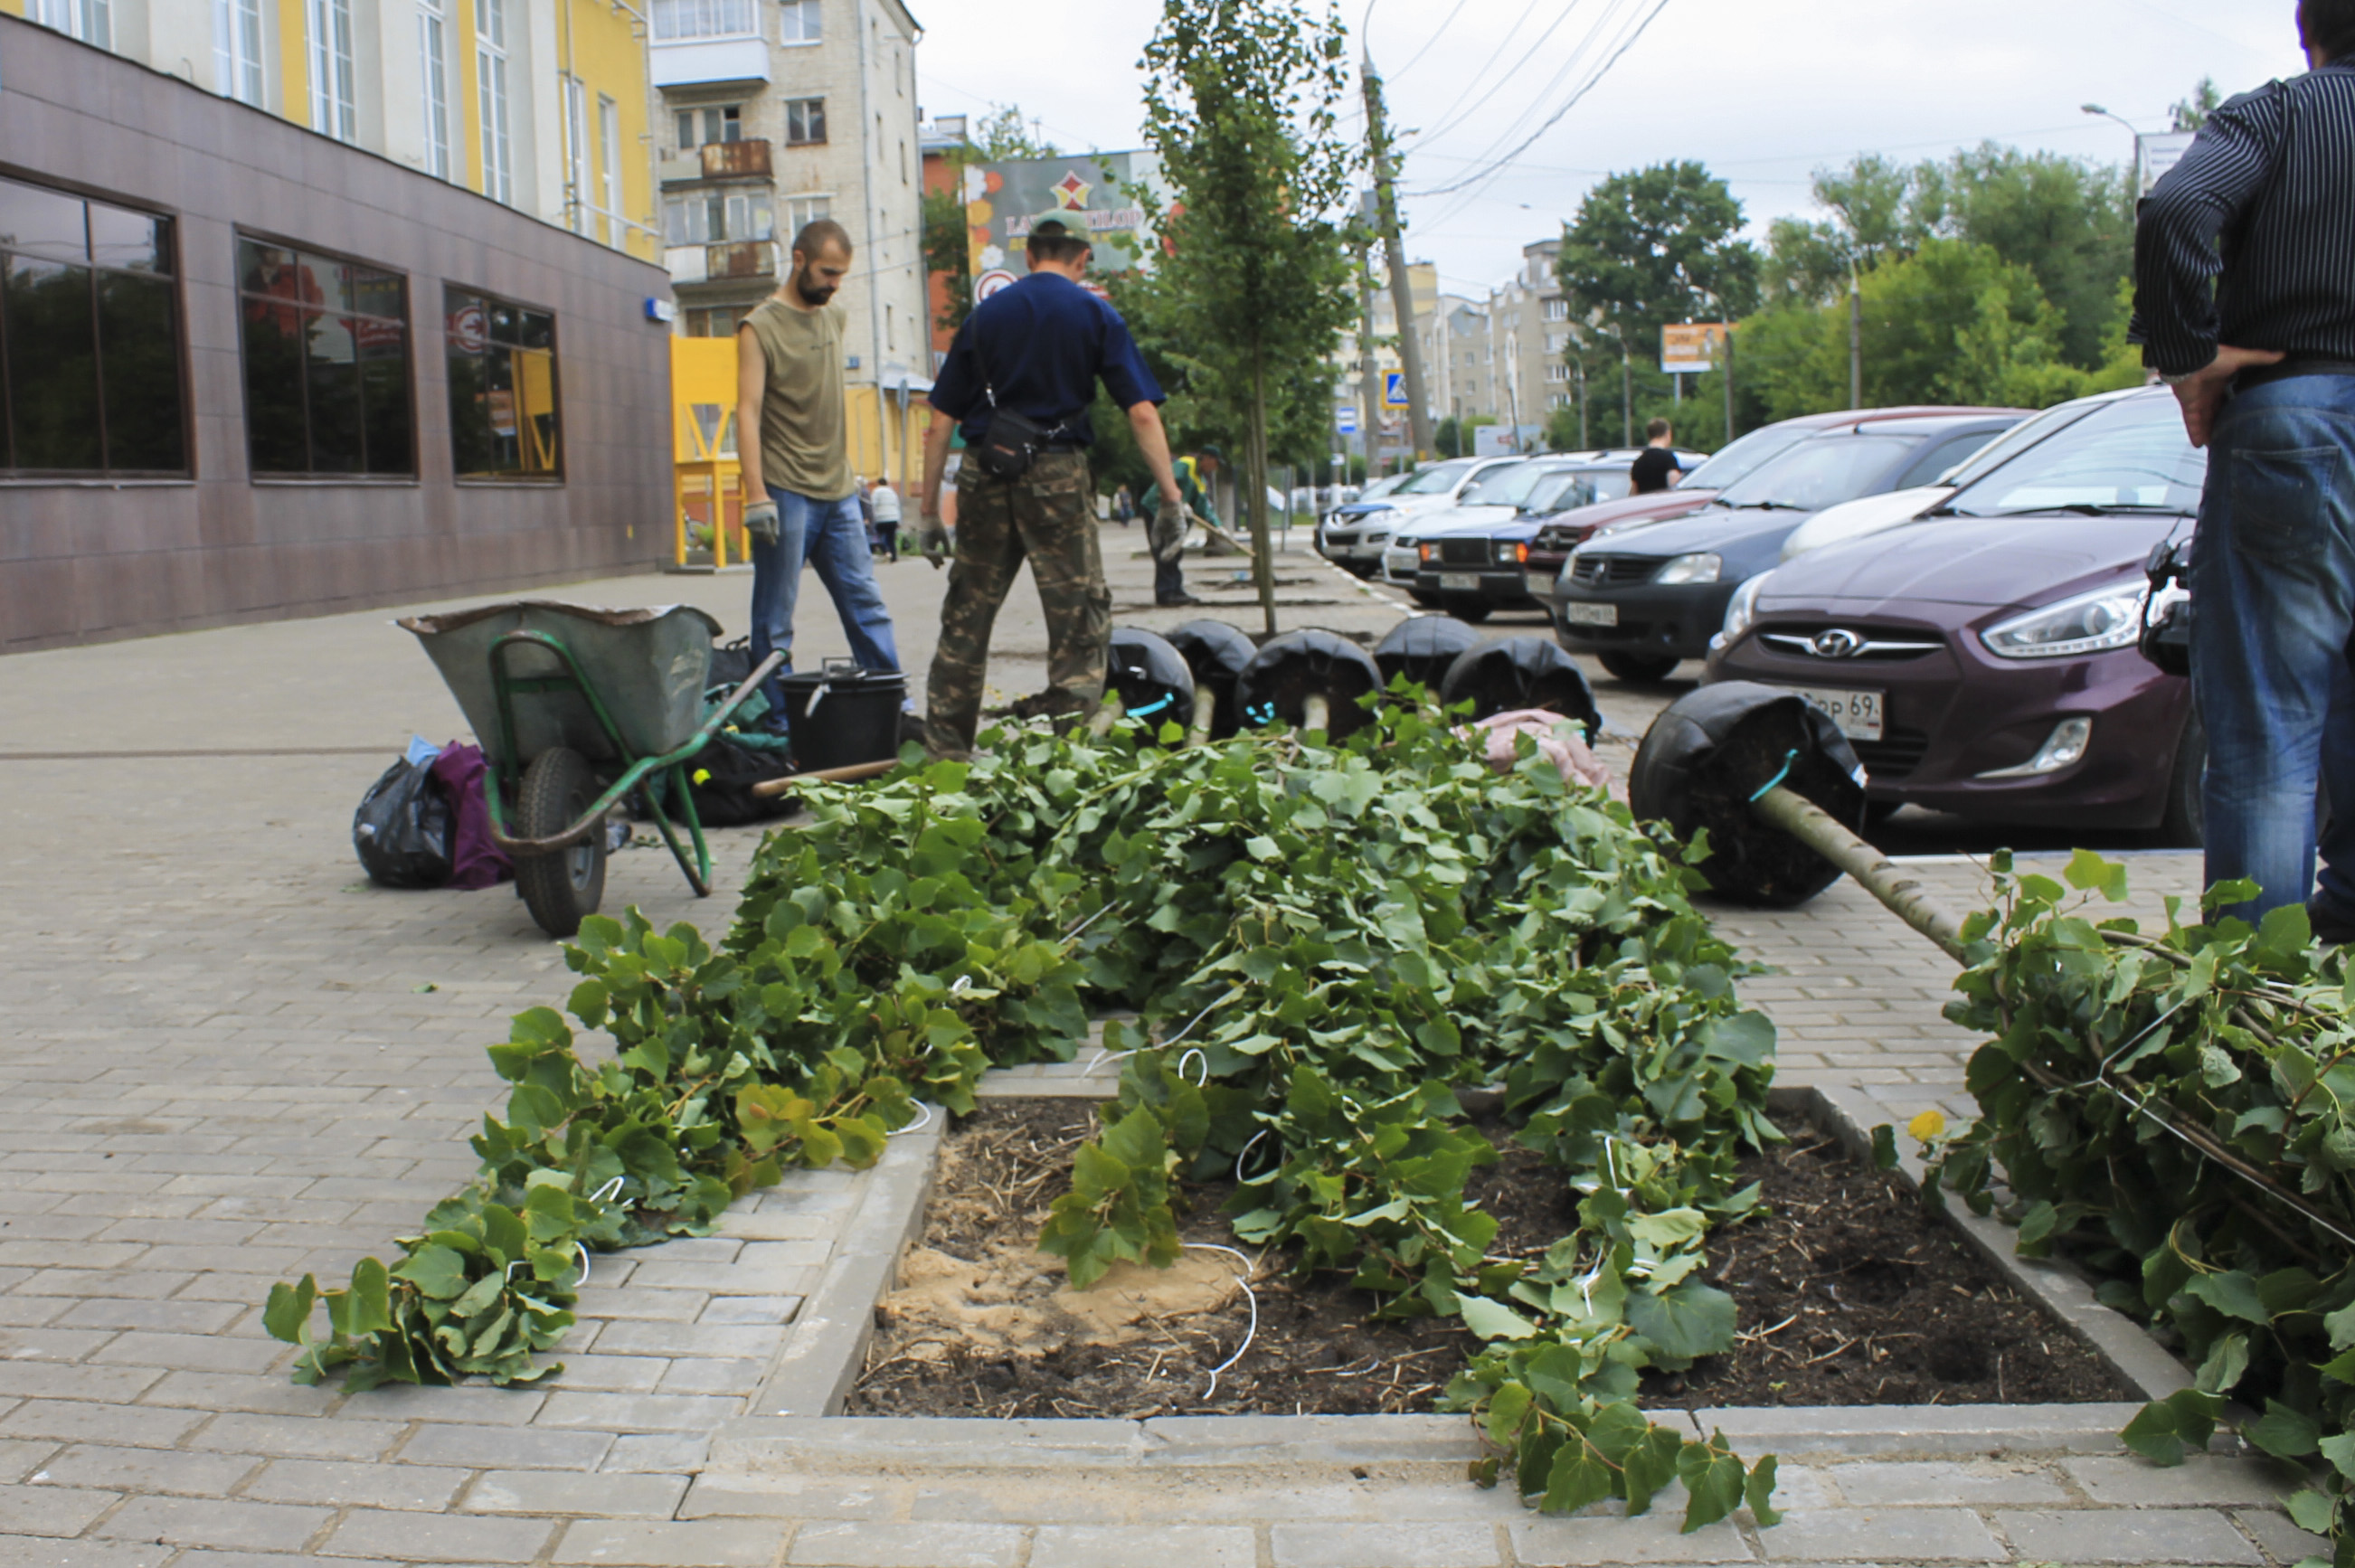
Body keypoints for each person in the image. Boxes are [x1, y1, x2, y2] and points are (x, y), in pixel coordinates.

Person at [2135, 0, 2355, 935]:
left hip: (2295, 414)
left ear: (2311, 34)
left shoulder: (2280, 113)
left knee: (2270, 737)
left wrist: (2190, 353)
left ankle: (2263, 1018)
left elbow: (2180, 206)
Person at [915, 215, 1187, 759]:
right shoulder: (1095, 313)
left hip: (984, 473)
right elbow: (1140, 412)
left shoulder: (984, 317)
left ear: (1029, 256)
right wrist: (1171, 500)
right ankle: (1070, 762)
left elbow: (940, 421)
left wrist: (927, 514)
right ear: (1083, 258)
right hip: (1059, 477)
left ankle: (944, 760)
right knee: (1077, 623)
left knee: (967, 618)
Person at [735, 220, 905, 742]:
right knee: (774, 619)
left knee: (866, 605)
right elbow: (746, 410)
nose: (834, 283)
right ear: (799, 258)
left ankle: (892, 703)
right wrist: (756, 494)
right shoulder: (759, 326)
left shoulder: (835, 315)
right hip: (785, 493)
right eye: (828, 272)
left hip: (838, 494)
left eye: (842, 275)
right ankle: (779, 726)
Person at [1139, 448, 1220, 607]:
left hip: (1174, 515)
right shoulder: (1184, 465)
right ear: (1207, 458)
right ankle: (1166, 593)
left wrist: (1217, 526)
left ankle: (1176, 589)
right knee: (1164, 550)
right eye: (1215, 463)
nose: (1215, 468)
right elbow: (1167, 483)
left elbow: (1203, 507)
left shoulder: (1200, 480)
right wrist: (1178, 504)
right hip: (1156, 510)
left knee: (1175, 551)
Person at [1629, 419, 1681, 495]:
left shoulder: (1638, 462)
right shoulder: (1669, 458)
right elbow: (1674, 487)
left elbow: (1633, 492)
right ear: (1668, 434)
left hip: (1646, 505)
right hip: (1663, 504)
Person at [870, 477, 903, 562]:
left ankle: (886, 551)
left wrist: (872, 516)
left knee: (878, 537)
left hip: (881, 518)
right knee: (891, 538)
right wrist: (898, 520)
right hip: (893, 518)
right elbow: (897, 505)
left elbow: (873, 504)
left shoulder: (876, 491)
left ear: (878, 483)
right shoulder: (892, 492)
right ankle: (894, 557)